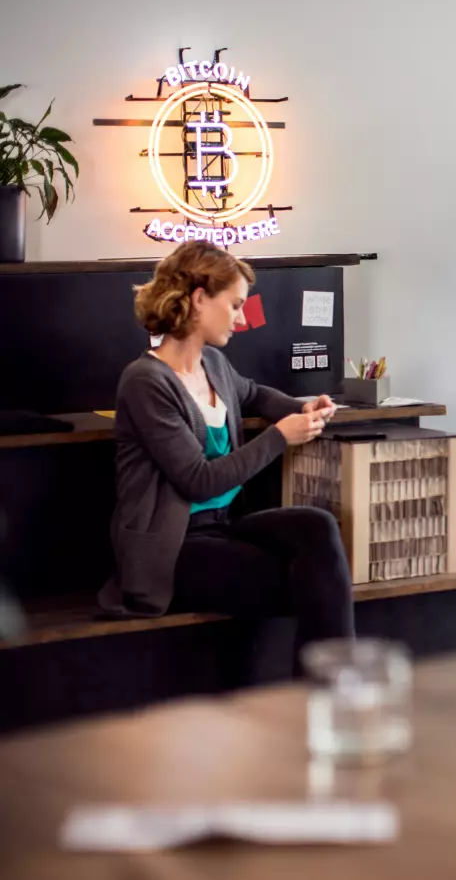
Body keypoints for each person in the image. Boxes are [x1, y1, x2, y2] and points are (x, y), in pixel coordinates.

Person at [98, 240, 354, 670]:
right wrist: (279, 436)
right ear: (199, 299)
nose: (241, 318)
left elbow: (253, 394)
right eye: (234, 305)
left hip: (221, 527)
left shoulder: (213, 364)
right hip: (173, 547)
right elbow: (199, 480)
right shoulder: (145, 381)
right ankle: (322, 695)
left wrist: (300, 408)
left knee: (316, 528)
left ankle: (329, 690)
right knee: (308, 581)